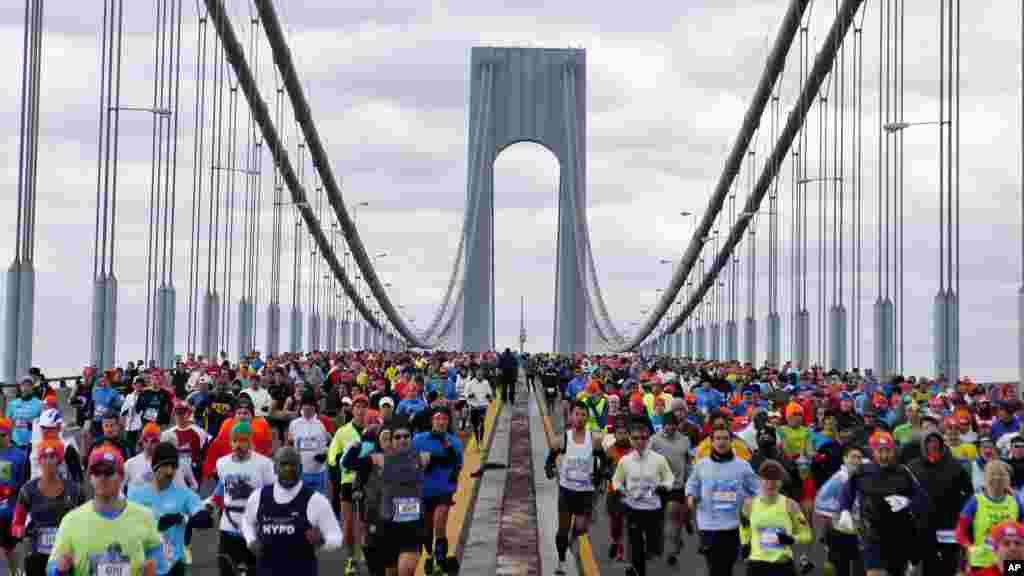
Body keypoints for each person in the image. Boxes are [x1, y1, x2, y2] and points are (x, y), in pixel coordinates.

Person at [46, 444, 163, 576]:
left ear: (121, 476)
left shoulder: (145, 516)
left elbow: (158, 557)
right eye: (96, 472)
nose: (102, 477)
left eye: (108, 472)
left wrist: (154, 569)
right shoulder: (71, 520)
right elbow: (51, 568)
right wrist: (59, 569)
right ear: (90, 478)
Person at [837, 431, 929, 576]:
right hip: (871, 535)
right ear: (873, 451)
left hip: (899, 536)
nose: (884, 456)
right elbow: (846, 492)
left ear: (894, 450)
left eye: (888, 451)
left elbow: (923, 499)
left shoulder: (903, 472)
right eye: (880, 451)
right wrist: (844, 511)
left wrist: (908, 502)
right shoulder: (862, 471)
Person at [242, 446, 343, 576]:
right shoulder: (259, 496)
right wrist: (251, 540)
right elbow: (246, 521)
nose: (288, 469)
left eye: (293, 465)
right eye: (283, 464)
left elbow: (336, 537)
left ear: (300, 468)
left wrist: (323, 540)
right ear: (274, 468)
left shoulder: (316, 500)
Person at [127, 442, 214, 576]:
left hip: (174, 567)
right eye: (165, 465)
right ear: (155, 466)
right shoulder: (135, 494)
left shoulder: (184, 495)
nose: (170, 471)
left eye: (174, 466)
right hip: (144, 566)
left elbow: (205, 519)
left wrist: (184, 518)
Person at [687, 422, 761, 576]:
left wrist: (751, 503)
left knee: (726, 566)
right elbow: (692, 485)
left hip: (733, 525)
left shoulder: (743, 466)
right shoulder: (701, 465)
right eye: (718, 438)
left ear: (731, 441)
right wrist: (691, 497)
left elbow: (757, 489)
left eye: (725, 438)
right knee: (714, 566)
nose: (721, 442)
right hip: (708, 525)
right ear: (712, 442)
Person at [544, 401, 608, 575]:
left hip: (586, 493)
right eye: (577, 414)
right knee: (562, 529)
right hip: (566, 491)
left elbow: (604, 463)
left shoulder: (593, 440)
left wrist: (601, 474)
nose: (580, 418)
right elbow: (550, 458)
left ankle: (574, 538)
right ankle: (562, 560)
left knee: (580, 527)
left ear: (587, 418)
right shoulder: (563, 439)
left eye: (583, 415)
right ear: (571, 416)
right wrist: (549, 469)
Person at [363, 419, 428, 576]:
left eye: (406, 436)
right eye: (397, 437)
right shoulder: (379, 460)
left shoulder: (422, 458)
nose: (402, 440)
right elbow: (349, 463)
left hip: (412, 526)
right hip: (388, 527)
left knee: (405, 571)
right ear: (392, 441)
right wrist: (360, 444)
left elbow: (450, 459)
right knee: (391, 572)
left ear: (411, 439)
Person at [212, 421, 277, 576]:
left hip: (255, 528)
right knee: (227, 570)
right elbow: (221, 488)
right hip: (228, 528)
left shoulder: (264, 464)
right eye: (234, 440)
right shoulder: (222, 463)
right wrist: (208, 504)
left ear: (250, 441)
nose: (238, 445)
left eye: (242, 440)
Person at [13, 438, 86, 576]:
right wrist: (19, 531)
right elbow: (17, 521)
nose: (48, 461)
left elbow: (84, 520)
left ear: (59, 459)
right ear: (39, 461)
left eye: (52, 456)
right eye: (44, 456)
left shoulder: (74, 489)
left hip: (65, 552)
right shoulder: (28, 490)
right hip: (36, 552)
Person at [612, 418, 675, 576]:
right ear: (630, 440)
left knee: (653, 548)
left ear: (648, 439)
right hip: (633, 509)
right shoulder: (625, 461)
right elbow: (616, 480)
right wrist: (620, 490)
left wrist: (664, 487)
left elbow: (669, 478)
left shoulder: (659, 460)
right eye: (635, 438)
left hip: (654, 510)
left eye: (643, 438)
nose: (640, 441)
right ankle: (637, 569)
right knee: (636, 545)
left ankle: (645, 557)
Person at [907, 427, 973, 576]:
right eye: (929, 441)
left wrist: (959, 508)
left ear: (942, 444)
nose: (933, 445)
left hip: (948, 523)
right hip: (923, 525)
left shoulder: (954, 466)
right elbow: (905, 491)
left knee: (949, 561)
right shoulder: (912, 467)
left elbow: (969, 491)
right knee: (928, 562)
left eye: (936, 441)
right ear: (923, 445)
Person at [412, 408, 464, 576]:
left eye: (444, 419)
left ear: (448, 422)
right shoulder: (419, 439)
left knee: (439, 523)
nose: (441, 421)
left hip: (444, 490)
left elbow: (458, 465)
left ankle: (440, 561)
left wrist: (453, 480)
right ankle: (430, 555)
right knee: (427, 528)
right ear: (432, 421)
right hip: (424, 490)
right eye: (437, 418)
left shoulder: (454, 441)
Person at [739, 459, 813, 576]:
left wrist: (792, 539)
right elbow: (744, 527)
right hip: (757, 565)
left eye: (775, 479)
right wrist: (745, 544)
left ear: (781, 482)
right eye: (766, 479)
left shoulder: (791, 505)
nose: (770, 483)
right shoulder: (749, 504)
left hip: (782, 565)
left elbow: (807, 534)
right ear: (760, 481)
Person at [956, 460, 1024, 575]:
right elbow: (960, 532)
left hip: (1011, 560)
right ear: (985, 477)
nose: (997, 478)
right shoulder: (975, 501)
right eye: (992, 474)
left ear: (1008, 478)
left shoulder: (1015, 500)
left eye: (1002, 474)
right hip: (982, 561)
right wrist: (969, 548)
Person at [327, 393, 369, 576]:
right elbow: (332, 458)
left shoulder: (373, 431)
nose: (360, 410)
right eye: (357, 407)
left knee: (367, 524)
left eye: (364, 406)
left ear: (368, 409)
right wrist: (339, 477)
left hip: (370, 484)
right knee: (349, 525)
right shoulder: (342, 432)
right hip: (348, 483)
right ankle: (351, 559)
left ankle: (368, 556)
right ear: (352, 410)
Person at [649, 411, 692, 565]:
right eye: (667, 425)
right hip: (659, 486)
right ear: (663, 425)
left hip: (677, 485)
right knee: (662, 522)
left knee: (673, 514)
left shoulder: (684, 440)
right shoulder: (654, 440)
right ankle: (676, 541)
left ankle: (672, 551)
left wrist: (690, 482)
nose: (670, 428)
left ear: (677, 425)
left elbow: (688, 463)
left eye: (673, 425)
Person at [287, 390, 331, 496]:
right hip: (301, 472)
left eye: (310, 404)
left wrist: (325, 454)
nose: (307, 407)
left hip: (319, 472)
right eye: (305, 404)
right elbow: (289, 445)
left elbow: (332, 443)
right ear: (301, 406)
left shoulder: (323, 422)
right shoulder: (294, 424)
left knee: (319, 504)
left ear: (315, 406)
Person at [0, 417, 27, 573]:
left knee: (10, 549)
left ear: (9, 435)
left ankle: (15, 572)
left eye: (2, 435)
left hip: (9, 512)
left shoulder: (20, 456)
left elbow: (25, 485)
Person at [7, 377, 43, 452]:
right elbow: (7, 424)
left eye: (29, 385)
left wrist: (30, 424)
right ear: (20, 387)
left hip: (33, 444)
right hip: (15, 444)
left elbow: (43, 425)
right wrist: (8, 441)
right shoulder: (12, 404)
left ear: (32, 388)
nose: (26, 388)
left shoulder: (40, 404)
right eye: (23, 385)